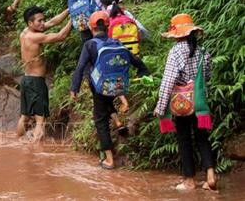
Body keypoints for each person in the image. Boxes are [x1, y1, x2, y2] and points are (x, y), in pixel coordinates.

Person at [69, 11, 149, 169]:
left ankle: (109, 160)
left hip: (99, 87)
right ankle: (119, 123)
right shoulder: (117, 43)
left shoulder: (90, 44)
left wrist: (74, 88)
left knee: (100, 121)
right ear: (108, 26)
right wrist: (143, 73)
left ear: (92, 29)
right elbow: (136, 61)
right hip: (117, 85)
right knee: (106, 105)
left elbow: (80, 68)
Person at [153, 13, 216, 191]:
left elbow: (167, 81)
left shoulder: (175, 52)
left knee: (184, 138)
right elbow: (208, 76)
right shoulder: (203, 51)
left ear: (178, 34)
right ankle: (210, 175)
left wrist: (160, 107)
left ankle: (189, 180)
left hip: (182, 103)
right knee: (202, 138)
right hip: (200, 101)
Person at [17, 6, 71, 142]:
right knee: (41, 120)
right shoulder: (35, 37)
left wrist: (70, 9)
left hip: (26, 80)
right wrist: (75, 19)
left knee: (24, 116)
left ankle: (17, 142)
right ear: (30, 23)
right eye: (39, 21)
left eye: (43, 20)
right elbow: (61, 36)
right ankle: (36, 153)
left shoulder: (25, 33)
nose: (43, 23)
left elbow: (53, 22)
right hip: (36, 82)